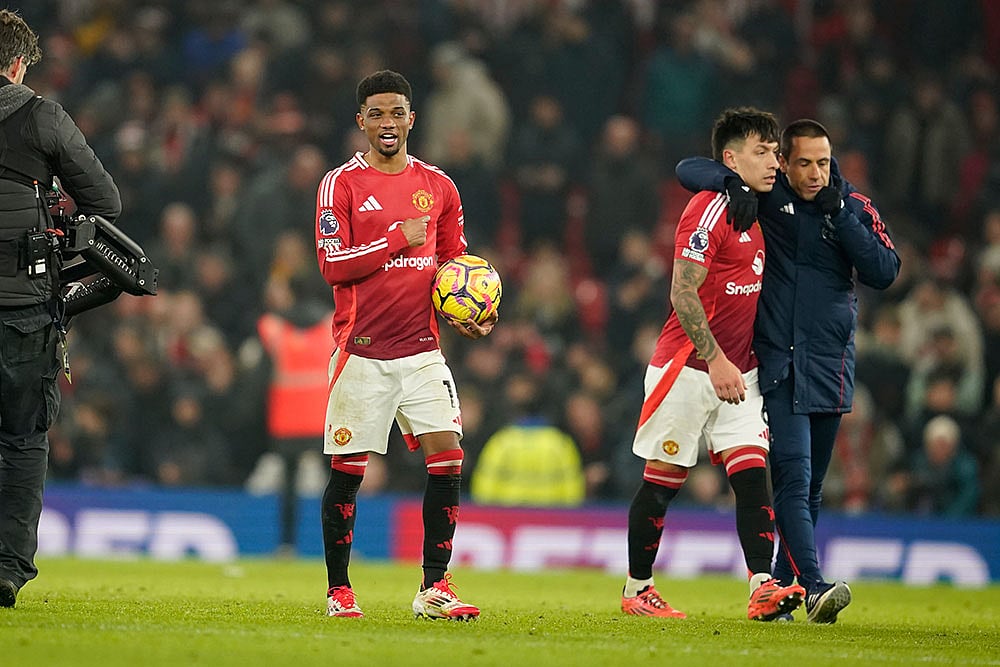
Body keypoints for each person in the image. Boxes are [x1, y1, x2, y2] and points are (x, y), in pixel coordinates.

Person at [676, 119, 900, 622]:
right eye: (803, 163)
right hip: (779, 362)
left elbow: (885, 271)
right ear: (783, 163)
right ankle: (815, 586)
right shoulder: (770, 197)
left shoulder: (852, 206)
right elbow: (688, 169)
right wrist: (732, 182)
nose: (815, 172)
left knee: (811, 487)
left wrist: (838, 212)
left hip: (830, 363)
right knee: (795, 482)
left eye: (823, 162)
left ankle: (777, 591)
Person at [314, 70, 495, 620]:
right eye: (376, 114)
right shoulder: (340, 185)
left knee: (449, 458)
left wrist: (467, 313)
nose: (387, 123)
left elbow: (451, 267)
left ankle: (434, 588)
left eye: (397, 113)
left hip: (421, 352)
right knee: (349, 471)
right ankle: (339, 591)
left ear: (412, 119)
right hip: (361, 351)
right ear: (361, 121)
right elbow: (331, 266)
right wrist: (396, 238)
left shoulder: (440, 187)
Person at [621, 108, 806, 622]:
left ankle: (762, 586)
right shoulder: (709, 208)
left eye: (775, 151)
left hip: (739, 370)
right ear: (730, 159)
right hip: (688, 365)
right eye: (762, 151)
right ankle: (638, 589)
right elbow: (682, 292)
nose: (774, 161)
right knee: (662, 481)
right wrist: (716, 359)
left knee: (752, 478)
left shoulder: (761, 206)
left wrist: (734, 363)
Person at [0, 10, 122, 608]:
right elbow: (106, 200)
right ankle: (7, 568)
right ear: (20, 63)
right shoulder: (42, 116)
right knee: (23, 438)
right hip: (24, 307)